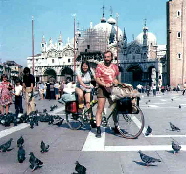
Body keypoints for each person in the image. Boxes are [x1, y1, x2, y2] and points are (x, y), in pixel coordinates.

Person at [95, 50, 119, 138]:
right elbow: (97, 79)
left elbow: (115, 78)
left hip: (111, 89)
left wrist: (115, 83)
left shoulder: (115, 67)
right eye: (105, 57)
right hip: (102, 88)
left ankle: (116, 126)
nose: (106, 59)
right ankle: (98, 128)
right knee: (100, 108)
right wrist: (104, 84)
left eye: (108, 57)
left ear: (111, 57)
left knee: (114, 108)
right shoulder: (99, 66)